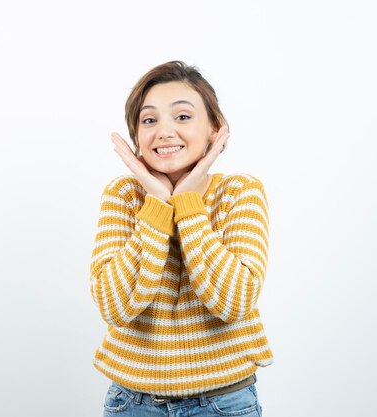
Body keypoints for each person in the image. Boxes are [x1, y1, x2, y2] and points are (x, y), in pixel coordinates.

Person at [90, 60, 272, 416]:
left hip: (224, 403)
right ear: (137, 138)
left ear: (214, 130)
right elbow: (116, 306)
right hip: (133, 404)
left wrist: (187, 203)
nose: (164, 131)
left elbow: (232, 301)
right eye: (149, 120)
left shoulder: (240, 192)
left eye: (183, 117)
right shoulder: (123, 195)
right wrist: (157, 204)